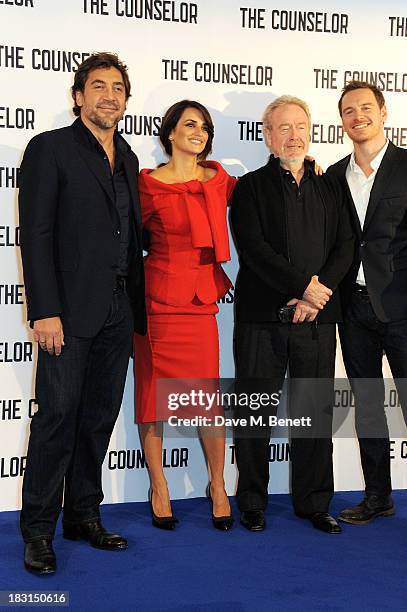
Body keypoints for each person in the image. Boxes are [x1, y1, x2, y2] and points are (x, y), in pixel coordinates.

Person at [18, 52, 146, 574]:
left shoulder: (130, 157)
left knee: (97, 420)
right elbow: (37, 233)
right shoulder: (49, 149)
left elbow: (130, 234)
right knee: (56, 420)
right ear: (78, 97)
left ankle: (83, 516)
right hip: (66, 313)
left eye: (118, 88)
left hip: (118, 307)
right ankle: (39, 531)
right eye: (98, 86)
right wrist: (45, 310)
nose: (109, 96)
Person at [230, 95, 354, 534]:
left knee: (314, 412)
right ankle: (251, 502)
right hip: (262, 319)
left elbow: (346, 246)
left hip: (317, 319)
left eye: (301, 126)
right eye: (284, 127)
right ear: (267, 136)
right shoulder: (248, 187)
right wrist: (303, 287)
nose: (294, 135)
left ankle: (314, 502)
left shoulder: (331, 184)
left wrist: (314, 296)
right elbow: (254, 249)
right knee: (253, 414)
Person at [134, 100, 235, 531]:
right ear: (170, 133)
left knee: (207, 402)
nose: (200, 132)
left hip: (199, 305)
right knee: (153, 397)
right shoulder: (146, 185)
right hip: (157, 302)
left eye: (205, 127)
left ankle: (217, 485)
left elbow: (267, 191)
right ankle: (159, 486)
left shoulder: (220, 180)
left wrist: (301, 161)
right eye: (190, 124)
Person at [328, 81, 407, 524]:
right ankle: (378, 496)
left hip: (402, 308)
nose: (357, 116)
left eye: (365, 108)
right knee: (369, 405)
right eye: (347, 111)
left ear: (383, 112)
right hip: (353, 309)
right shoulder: (335, 176)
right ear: (341, 121)